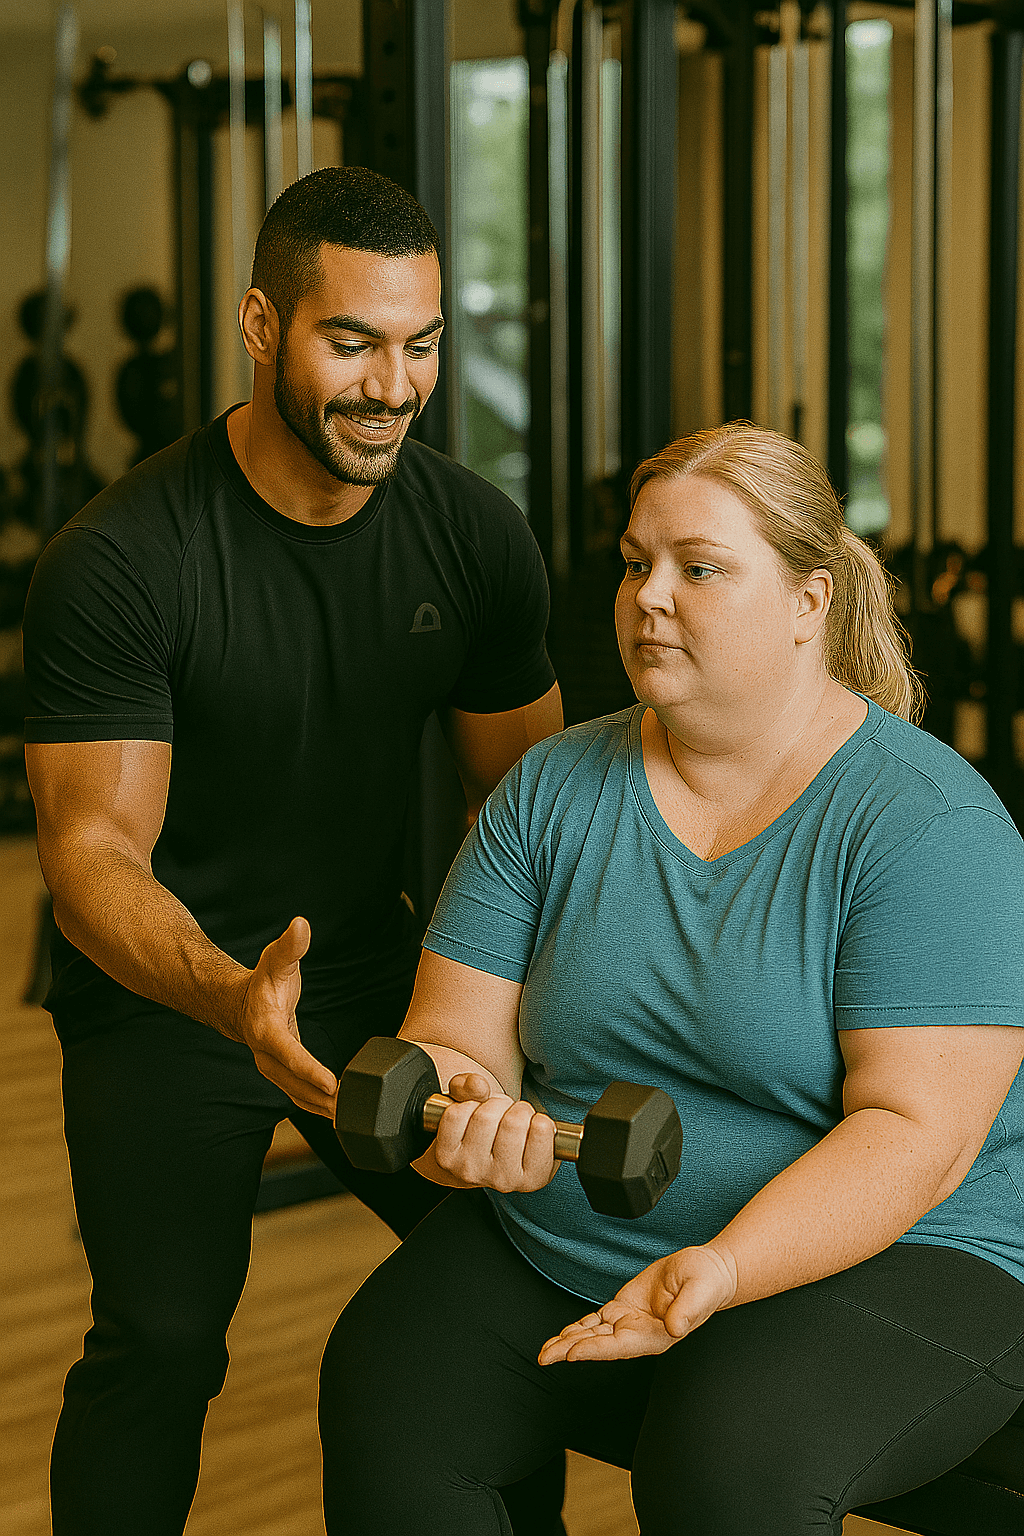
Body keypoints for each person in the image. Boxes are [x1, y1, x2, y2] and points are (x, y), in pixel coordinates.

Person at [317, 422, 1024, 1535]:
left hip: (907, 1249)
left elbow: (912, 1132)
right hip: (576, 1230)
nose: (649, 595)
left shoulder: (924, 825)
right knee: (388, 1387)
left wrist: (724, 1267)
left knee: (723, 1455)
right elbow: (450, 1036)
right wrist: (466, 1109)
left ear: (809, 600)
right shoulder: (552, 788)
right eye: (635, 562)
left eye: (698, 568)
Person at [22, 167, 567, 1536]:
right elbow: (91, 853)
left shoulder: (476, 540)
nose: (394, 383)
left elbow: (529, 822)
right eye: (352, 341)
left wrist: (516, 1017)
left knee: (503, 1293)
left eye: (422, 344)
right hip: (168, 995)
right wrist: (226, 996)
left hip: (381, 969)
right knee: (162, 1343)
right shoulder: (125, 558)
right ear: (263, 326)